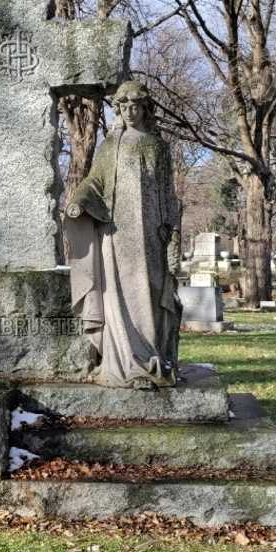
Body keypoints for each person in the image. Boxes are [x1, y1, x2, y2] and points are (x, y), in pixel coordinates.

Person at [65, 80, 182, 388]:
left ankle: (151, 357)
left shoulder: (158, 146)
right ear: (118, 110)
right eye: (124, 106)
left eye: (136, 106)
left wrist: (172, 232)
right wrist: (79, 201)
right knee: (118, 296)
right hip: (115, 234)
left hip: (152, 235)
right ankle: (124, 361)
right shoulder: (109, 146)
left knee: (152, 293)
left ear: (146, 109)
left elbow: (169, 193)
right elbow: (94, 181)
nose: (130, 112)